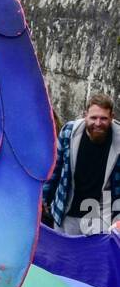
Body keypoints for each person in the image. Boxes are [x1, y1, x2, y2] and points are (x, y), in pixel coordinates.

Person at [43, 92, 120, 235]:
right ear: (85, 115)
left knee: (94, 257)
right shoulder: (69, 132)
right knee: (64, 256)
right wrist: (43, 200)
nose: (98, 123)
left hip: (101, 216)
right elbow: (55, 169)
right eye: (93, 118)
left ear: (112, 118)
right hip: (67, 211)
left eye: (103, 118)